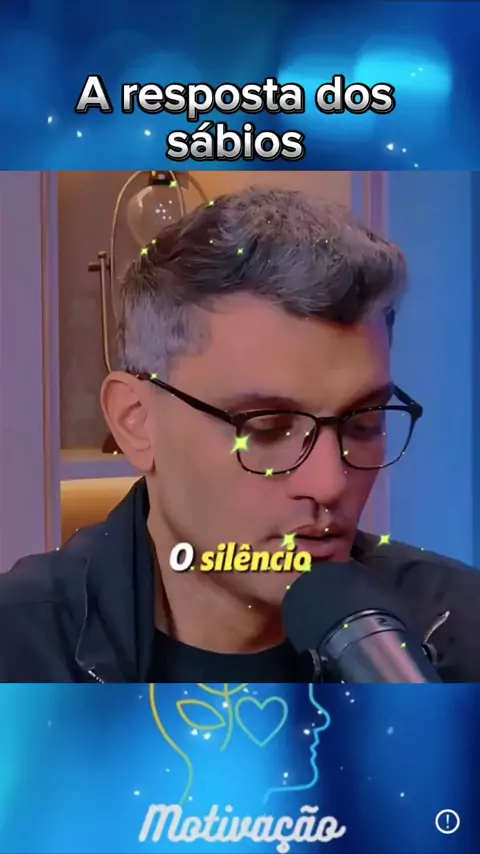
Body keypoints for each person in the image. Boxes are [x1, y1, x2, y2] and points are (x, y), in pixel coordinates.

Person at [0, 187, 479, 683]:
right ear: (135, 420)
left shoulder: (460, 628)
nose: (329, 483)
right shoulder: (21, 647)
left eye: (363, 422)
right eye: (268, 429)